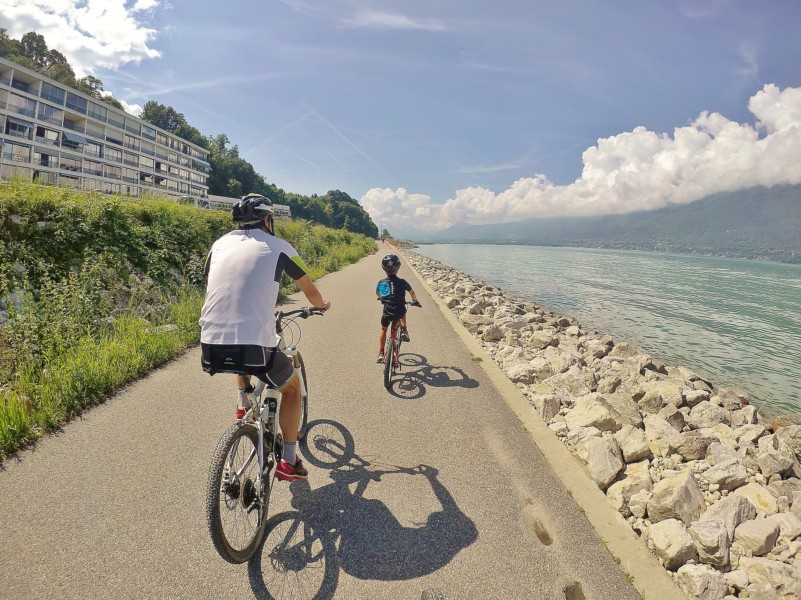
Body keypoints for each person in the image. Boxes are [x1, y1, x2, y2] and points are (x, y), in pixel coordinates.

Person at [199, 193, 330, 482]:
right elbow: (309, 290)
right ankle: (288, 461)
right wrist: (321, 305)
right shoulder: (279, 246)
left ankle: (242, 408)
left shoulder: (218, 244)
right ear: (267, 220)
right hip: (255, 345)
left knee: (239, 357)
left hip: (209, 343)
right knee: (292, 390)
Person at [376, 253, 420, 364]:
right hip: (399, 311)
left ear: (384, 269)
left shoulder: (381, 283)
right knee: (402, 312)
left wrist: (380, 298)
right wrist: (415, 301)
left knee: (383, 329)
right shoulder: (403, 282)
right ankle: (404, 330)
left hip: (387, 313)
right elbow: (412, 292)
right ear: (398, 268)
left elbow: (378, 294)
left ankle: (381, 353)